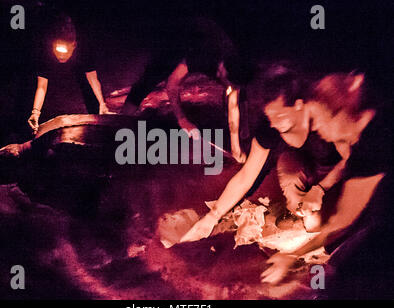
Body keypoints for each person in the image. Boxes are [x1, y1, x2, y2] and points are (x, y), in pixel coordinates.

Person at [260, 73, 393, 298]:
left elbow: (342, 221)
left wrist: (291, 256)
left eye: (319, 120)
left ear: (339, 114)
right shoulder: (371, 135)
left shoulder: (377, 142)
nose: (317, 128)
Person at [180, 63, 344, 243]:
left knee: (330, 225)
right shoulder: (270, 127)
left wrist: (321, 189)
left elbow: (352, 158)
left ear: (299, 105)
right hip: (302, 162)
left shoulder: (324, 117)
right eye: (270, 117)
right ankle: (304, 212)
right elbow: (246, 176)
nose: (274, 123)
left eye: (279, 116)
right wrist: (212, 217)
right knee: (300, 203)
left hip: (337, 171)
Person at [122, 17, 253, 145]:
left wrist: (243, 127)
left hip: (208, 36)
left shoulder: (236, 62)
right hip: (178, 35)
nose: (230, 88)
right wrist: (182, 120)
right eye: (229, 83)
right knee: (151, 77)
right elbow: (172, 84)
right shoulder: (203, 56)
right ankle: (121, 121)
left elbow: (236, 94)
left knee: (234, 87)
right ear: (222, 70)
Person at [28, 16, 109, 134]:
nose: (61, 55)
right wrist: (35, 113)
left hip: (80, 57)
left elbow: (92, 78)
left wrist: (102, 103)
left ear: (74, 45)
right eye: (57, 49)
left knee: (88, 88)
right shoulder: (45, 53)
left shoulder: (84, 50)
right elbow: (42, 85)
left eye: (64, 51)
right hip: (45, 34)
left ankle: (98, 117)